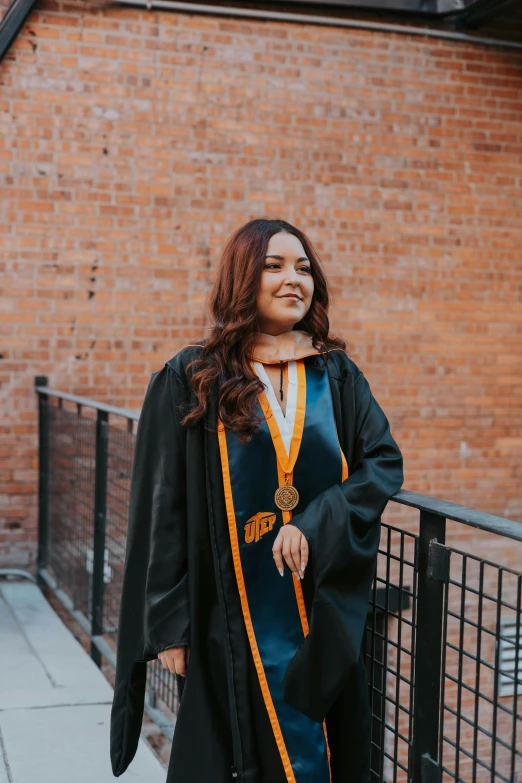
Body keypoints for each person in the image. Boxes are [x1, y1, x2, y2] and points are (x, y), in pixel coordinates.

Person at [110, 218, 404, 783]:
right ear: (244, 278)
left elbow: (382, 461)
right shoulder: (193, 375)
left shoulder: (334, 372)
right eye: (274, 266)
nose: (294, 279)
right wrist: (170, 625)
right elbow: (163, 508)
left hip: (316, 609)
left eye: (303, 267)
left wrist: (316, 522)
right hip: (226, 614)